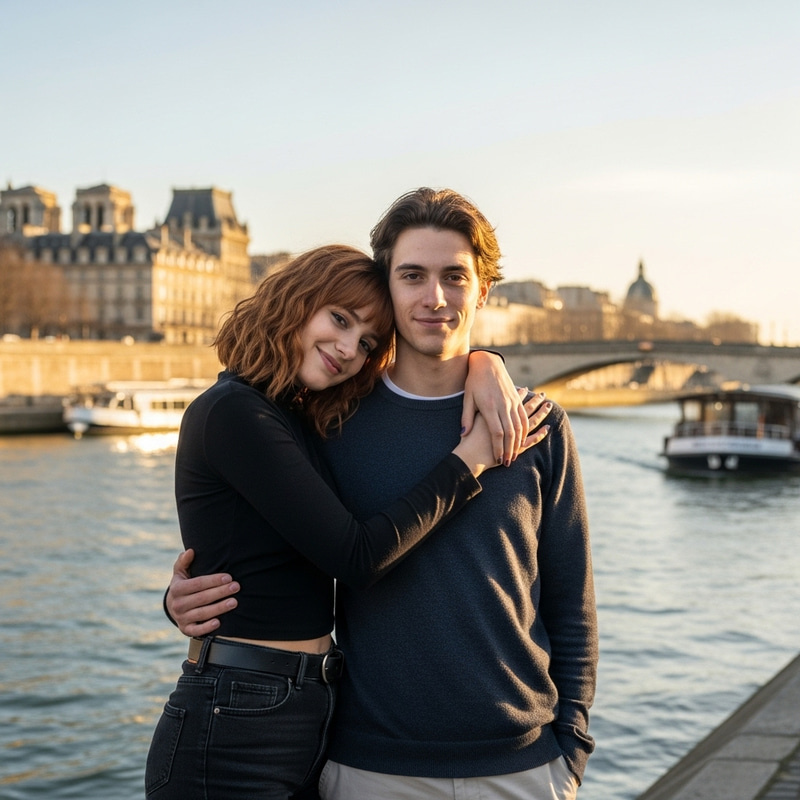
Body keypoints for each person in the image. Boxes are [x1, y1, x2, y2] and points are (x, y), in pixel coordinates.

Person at [168, 189, 597, 799]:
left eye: (455, 277)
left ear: (484, 289)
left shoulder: (536, 424)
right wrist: (181, 597)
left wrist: (571, 748)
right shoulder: (328, 419)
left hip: (524, 766)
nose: (434, 297)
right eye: (413, 276)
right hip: (365, 764)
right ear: (389, 288)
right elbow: (260, 535)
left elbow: (571, 601)